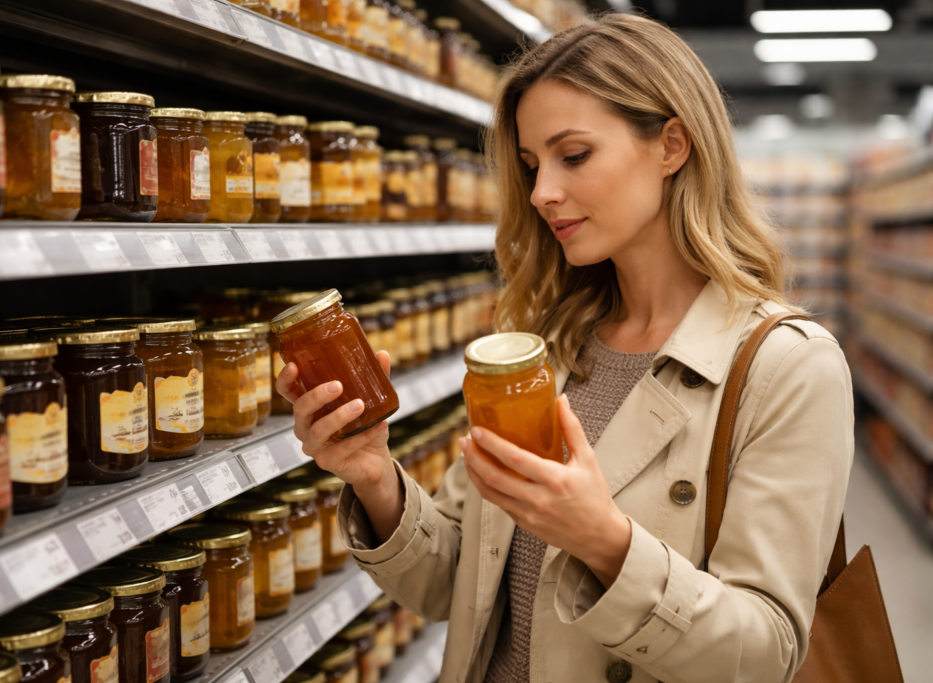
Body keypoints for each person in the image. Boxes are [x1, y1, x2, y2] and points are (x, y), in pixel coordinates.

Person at [276, 12, 853, 683]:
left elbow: (765, 654)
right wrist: (374, 474)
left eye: (574, 155)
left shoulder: (788, 367)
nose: (542, 193)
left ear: (672, 146)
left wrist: (604, 543)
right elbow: (453, 584)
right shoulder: (547, 348)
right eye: (530, 165)